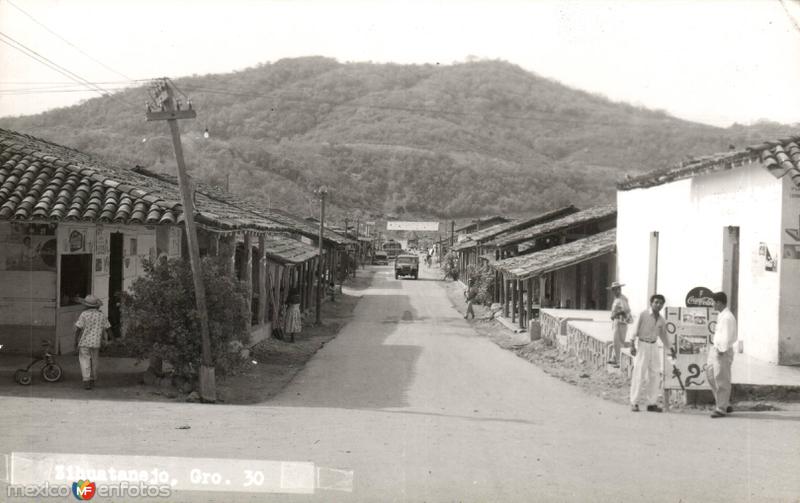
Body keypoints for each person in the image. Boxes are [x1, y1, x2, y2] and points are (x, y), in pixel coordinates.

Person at [628, 294, 670, 412]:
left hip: (654, 345)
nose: (658, 305)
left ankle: (651, 403)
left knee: (655, 374)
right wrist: (632, 344)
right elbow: (634, 330)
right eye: (656, 302)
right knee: (639, 373)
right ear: (651, 303)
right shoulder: (643, 314)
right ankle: (634, 402)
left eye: (661, 303)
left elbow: (664, 336)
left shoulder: (661, 320)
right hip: (642, 345)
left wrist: (670, 348)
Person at [707, 291, 737, 418]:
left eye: (713, 302)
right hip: (716, 350)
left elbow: (726, 336)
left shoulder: (727, 317)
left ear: (718, 302)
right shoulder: (722, 315)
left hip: (722, 351)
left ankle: (721, 408)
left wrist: (721, 351)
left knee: (721, 379)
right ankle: (724, 402)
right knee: (710, 375)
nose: (712, 305)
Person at [73, 295, 110, 390]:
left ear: (86, 305)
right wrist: (111, 339)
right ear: (96, 306)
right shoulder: (101, 315)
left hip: (84, 342)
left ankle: (86, 381)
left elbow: (78, 328)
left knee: (84, 361)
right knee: (95, 361)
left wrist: (75, 341)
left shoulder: (84, 314)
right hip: (96, 343)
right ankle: (93, 379)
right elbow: (108, 328)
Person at [607, 281, 632, 367]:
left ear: (620, 289)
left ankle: (619, 361)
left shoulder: (622, 299)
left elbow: (626, 310)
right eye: (614, 290)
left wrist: (616, 314)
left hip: (621, 321)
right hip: (616, 321)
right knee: (615, 340)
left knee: (618, 341)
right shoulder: (616, 299)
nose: (615, 291)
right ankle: (614, 358)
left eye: (617, 289)